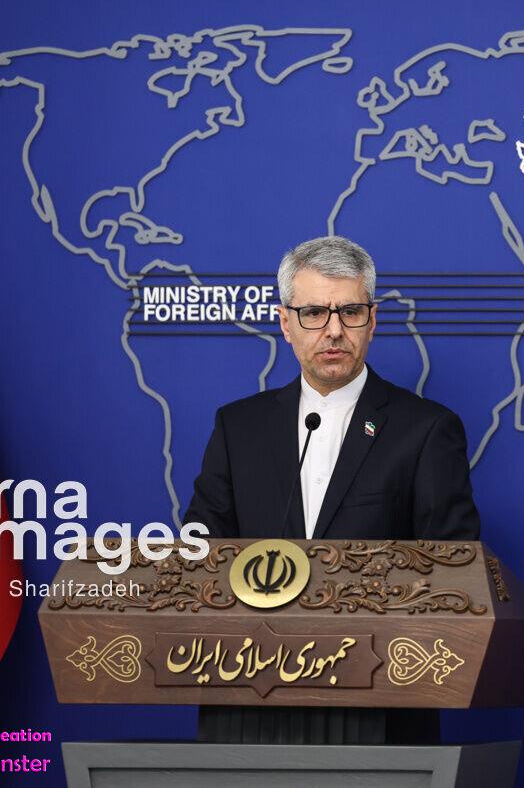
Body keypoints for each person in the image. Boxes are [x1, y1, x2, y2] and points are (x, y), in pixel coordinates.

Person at [183, 235, 481, 743]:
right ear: (285, 323)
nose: (334, 330)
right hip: (251, 710)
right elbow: (199, 557)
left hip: (380, 716)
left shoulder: (427, 430)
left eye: (350, 312)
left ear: (373, 319)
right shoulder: (238, 428)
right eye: (315, 313)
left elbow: (454, 571)